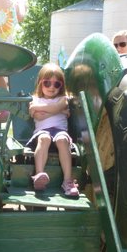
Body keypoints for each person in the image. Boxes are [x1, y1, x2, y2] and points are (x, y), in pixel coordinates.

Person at [26, 63, 79, 196]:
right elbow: (38, 116)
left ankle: (67, 181)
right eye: (47, 83)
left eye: (57, 84)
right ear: (40, 83)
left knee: (62, 139)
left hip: (60, 131)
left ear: (61, 86)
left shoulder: (63, 99)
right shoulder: (34, 99)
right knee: (45, 138)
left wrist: (44, 109)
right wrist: (57, 110)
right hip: (42, 133)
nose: (51, 87)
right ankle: (39, 176)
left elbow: (47, 110)